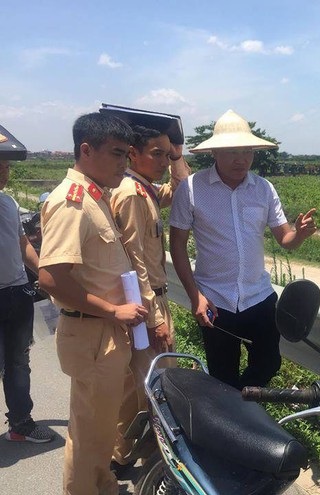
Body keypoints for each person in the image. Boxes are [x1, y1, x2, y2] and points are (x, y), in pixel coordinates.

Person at [38, 112, 148, 495]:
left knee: (99, 433)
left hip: (103, 331)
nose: (125, 163)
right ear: (86, 150)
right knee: (89, 436)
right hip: (93, 332)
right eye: (118, 154)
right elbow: (51, 278)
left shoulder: (96, 197)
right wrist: (114, 310)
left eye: (128, 155)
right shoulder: (73, 202)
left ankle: (102, 487)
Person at [169, 109, 317, 389]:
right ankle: (229, 418)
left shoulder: (263, 189)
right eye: (232, 151)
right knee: (222, 374)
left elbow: (286, 240)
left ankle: (243, 406)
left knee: (269, 363)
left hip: (258, 296)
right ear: (214, 153)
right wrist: (195, 296)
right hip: (214, 298)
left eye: (247, 151)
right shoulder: (191, 189)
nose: (241, 159)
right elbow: (176, 245)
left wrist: (300, 234)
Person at [109, 124, 190, 474]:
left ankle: (132, 447)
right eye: (156, 153)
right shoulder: (130, 194)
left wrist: (177, 154)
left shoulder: (146, 191)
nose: (163, 160)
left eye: (165, 153)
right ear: (133, 154)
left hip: (155, 298)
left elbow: (181, 185)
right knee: (143, 381)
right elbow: (134, 260)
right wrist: (154, 317)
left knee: (151, 378)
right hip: (146, 303)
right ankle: (120, 454)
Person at [0, 128, 54, 444]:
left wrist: (46, 275)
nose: (4, 172)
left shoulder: (7, 204)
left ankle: (20, 423)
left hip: (16, 293)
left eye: (6, 166)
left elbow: (23, 245)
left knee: (19, 362)